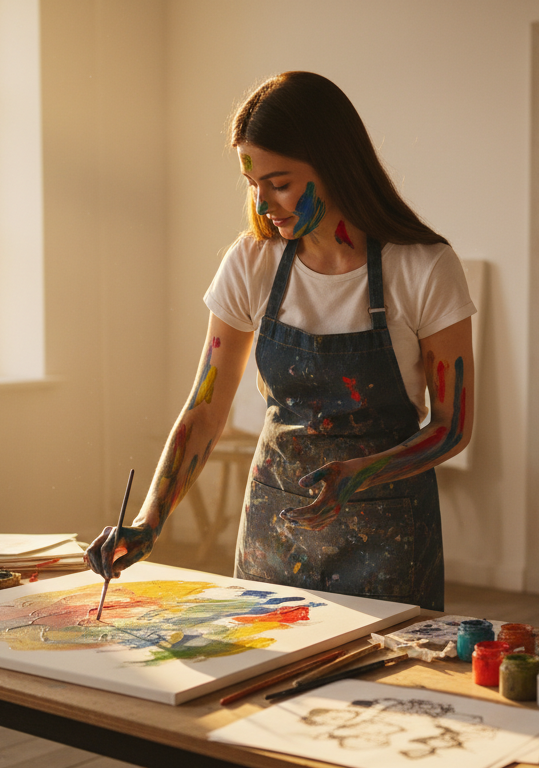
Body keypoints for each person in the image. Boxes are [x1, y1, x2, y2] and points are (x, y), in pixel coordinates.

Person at [87, 72, 476, 611]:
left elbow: (452, 427)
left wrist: (357, 474)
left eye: (280, 181)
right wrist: (148, 522)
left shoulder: (425, 268)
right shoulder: (251, 264)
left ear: (335, 163)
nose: (264, 200)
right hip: (275, 532)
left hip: (387, 536)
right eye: (252, 183)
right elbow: (205, 411)